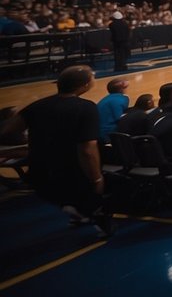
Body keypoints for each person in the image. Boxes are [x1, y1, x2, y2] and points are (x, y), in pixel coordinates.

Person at [1, 65, 113, 236]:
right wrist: (96, 177)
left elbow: (7, 130)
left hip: (40, 169)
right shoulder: (86, 107)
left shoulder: (37, 105)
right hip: (70, 167)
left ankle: (75, 212)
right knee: (95, 196)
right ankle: (99, 223)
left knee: (60, 194)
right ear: (84, 85)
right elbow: (87, 149)